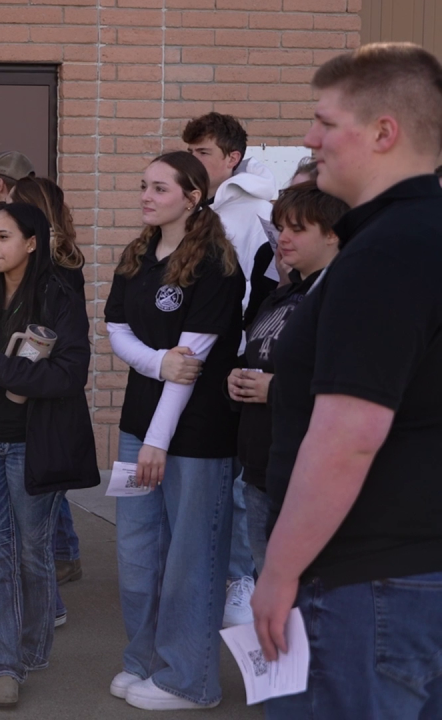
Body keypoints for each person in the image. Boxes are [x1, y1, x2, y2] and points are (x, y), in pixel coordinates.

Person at [253, 43, 442, 717]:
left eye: (326, 122)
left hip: (366, 588)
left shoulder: (386, 252)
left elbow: (348, 436)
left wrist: (279, 572)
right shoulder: (417, 236)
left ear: (384, 131)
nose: (310, 138)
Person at [104, 151, 244, 711]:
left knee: (191, 560)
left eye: (159, 188)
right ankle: (143, 661)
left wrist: (158, 440)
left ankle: (190, 681)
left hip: (193, 436)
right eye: (144, 185)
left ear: (192, 197)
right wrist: (155, 363)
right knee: (137, 555)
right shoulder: (137, 254)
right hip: (138, 425)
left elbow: (192, 364)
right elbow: (116, 329)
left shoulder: (216, 265)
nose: (146, 196)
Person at [0, 202, 96, 707]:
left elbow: (69, 374)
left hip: (33, 442)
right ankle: (3, 660)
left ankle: (25, 647)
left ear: (31, 243)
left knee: (33, 552)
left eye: (4, 237)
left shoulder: (59, 295)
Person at [184, 112, 276, 627]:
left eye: (203, 153)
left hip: (237, 357)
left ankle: (242, 579)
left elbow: (253, 292)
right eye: (190, 152)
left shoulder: (254, 211)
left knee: (241, 481)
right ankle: (218, 573)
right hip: (200, 354)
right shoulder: (205, 206)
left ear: (232, 158)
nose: (194, 162)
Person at [228, 181, 346, 575]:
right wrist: (236, 379)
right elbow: (258, 355)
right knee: (270, 586)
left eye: (298, 229)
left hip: (307, 477)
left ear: (332, 234)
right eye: (281, 228)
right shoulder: (280, 295)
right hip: (261, 468)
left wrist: (274, 390)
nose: (283, 239)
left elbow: (349, 392)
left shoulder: (342, 299)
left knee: (302, 592)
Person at [9, 176, 87, 591]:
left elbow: (47, 331)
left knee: (42, 475)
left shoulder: (57, 265)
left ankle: (61, 556)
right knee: (42, 475)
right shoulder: (61, 256)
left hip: (44, 379)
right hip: (39, 377)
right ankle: (64, 552)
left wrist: (20, 375)